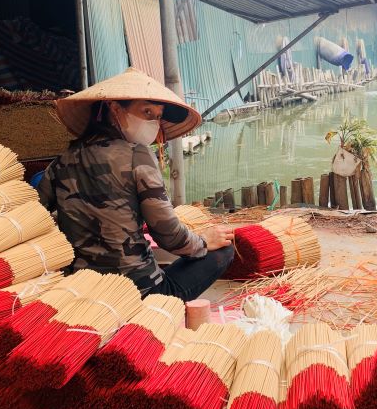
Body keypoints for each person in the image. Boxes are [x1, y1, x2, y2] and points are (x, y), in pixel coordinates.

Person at [38, 67, 234, 299]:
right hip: (139, 290)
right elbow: (167, 233)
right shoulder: (137, 154)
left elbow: (38, 211)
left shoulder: (63, 159)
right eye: (147, 112)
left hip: (82, 286)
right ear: (114, 108)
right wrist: (203, 242)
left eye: (158, 116)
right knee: (223, 249)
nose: (153, 122)